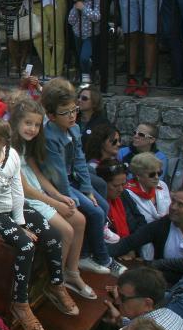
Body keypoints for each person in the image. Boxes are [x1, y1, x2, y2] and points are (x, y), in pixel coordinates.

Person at [0, 116, 76, 330]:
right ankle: (20, 302)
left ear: (4, 143)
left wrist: (20, 222)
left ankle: (56, 283)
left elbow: (17, 190)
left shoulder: (12, 156)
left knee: (53, 235)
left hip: (13, 208)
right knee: (26, 246)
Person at [10, 98, 94, 298]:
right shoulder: (10, 147)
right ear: (16, 122)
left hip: (36, 191)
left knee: (80, 220)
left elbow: (36, 172)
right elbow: (24, 188)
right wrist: (54, 203)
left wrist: (58, 195)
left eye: (37, 125)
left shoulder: (25, 144)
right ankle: (52, 283)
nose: (32, 129)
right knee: (66, 231)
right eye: (28, 123)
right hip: (24, 198)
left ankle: (71, 272)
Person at [42, 79, 124, 276]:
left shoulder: (75, 128)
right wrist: (80, 198)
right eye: (66, 113)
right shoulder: (51, 137)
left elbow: (79, 159)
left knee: (102, 203)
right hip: (60, 183)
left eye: (74, 110)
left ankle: (99, 233)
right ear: (52, 116)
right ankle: (97, 256)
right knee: (95, 212)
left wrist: (87, 189)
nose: (72, 116)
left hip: (74, 176)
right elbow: (59, 173)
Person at [124, 153, 171, 260]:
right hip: (144, 239)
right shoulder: (128, 193)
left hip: (166, 234)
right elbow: (131, 225)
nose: (156, 177)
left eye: (159, 173)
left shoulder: (163, 186)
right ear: (138, 175)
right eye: (151, 174)